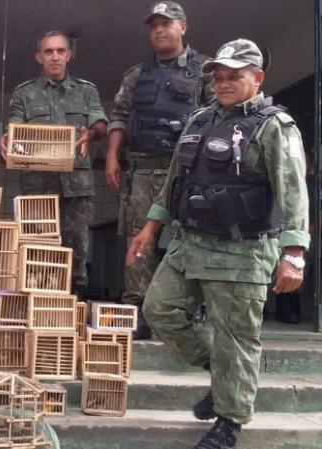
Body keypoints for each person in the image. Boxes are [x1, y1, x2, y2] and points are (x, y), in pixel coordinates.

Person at [127, 39, 309, 449]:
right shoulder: (199, 121)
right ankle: (220, 370)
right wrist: (149, 228)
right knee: (159, 310)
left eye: (234, 76)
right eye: (219, 77)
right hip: (188, 245)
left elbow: (294, 191)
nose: (223, 84)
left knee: (237, 339)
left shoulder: (273, 126)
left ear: (257, 78)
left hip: (241, 252)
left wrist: (293, 254)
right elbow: (174, 182)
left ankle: (229, 424)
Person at [105, 1, 212, 339]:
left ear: (184, 27)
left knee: (191, 240)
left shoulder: (208, 71)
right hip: (144, 171)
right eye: (154, 25)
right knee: (139, 242)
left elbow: (217, 120)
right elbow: (120, 115)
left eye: (167, 23)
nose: (160, 30)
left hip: (189, 174)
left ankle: (191, 310)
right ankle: (139, 312)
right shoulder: (137, 75)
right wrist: (111, 155)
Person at [0, 30, 108, 295]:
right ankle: (40, 305)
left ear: (69, 55)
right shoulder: (25, 93)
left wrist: (91, 133)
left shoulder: (86, 90)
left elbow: (101, 124)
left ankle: (74, 303)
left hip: (77, 185)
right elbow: (14, 126)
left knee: (77, 249)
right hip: (38, 185)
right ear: (39, 57)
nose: (55, 57)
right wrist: (8, 138)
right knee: (37, 250)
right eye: (48, 52)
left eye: (60, 51)